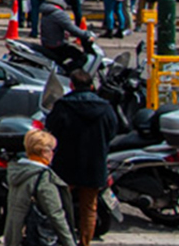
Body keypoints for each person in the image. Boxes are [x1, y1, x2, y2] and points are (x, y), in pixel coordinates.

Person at [45, 70, 118, 246]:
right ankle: (84, 243)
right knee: (89, 209)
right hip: (94, 164)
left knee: (59, 206)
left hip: (66, 164)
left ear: (71, 85)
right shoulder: (105, 107)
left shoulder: (63, 105)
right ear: (91, 86)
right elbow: (112, 131)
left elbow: (52, 128)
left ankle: (62, 240)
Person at [4, 129, 76, 246]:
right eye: (52, 150)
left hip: (16, 236)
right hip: (38, 239)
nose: (53, 154)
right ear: (43, 152)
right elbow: (55, 214)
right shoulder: (43, 178)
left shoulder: (18, 172)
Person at [38, 0, 93, 73]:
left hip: (48, 43)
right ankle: (68, 73)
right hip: (56, 46)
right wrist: (86, 34)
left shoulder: (47, 10)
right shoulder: (58, 13)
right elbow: (72, 29)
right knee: (81, 57)